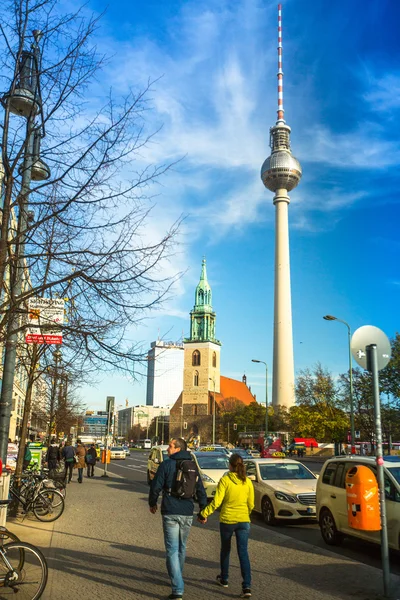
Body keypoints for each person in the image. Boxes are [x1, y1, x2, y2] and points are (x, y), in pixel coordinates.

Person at [149, 438, 208, 600]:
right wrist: (203, 510)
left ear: (177, 449)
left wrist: (152, 503)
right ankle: (177, 576)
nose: (167, 449)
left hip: (170, 511)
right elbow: (200, 489)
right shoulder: (192, 466)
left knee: (172, 549)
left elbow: (156, 486)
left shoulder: (166, 465)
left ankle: (177, 588)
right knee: (181, 547)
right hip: (187, 511)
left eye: (170, 446)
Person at [198, 453, 254, 598]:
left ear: (230, 465)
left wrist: (204, 513)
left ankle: (224, 578)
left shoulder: (225, 480)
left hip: (228, 520)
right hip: (243, 521)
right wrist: (245, 514)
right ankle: (246, 586)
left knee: (226, 550)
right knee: (243, 553)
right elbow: (251, 504)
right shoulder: (247, 482)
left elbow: (217, 502)